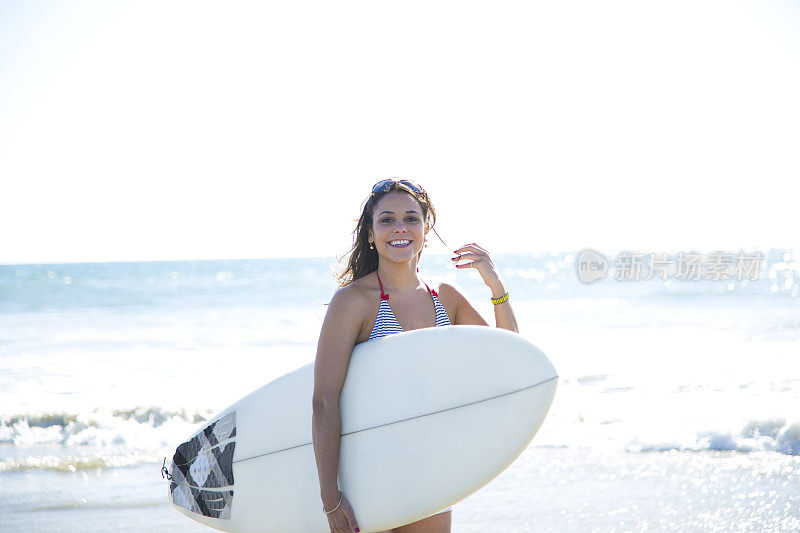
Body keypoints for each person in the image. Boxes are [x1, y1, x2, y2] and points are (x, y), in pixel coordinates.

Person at [312, 178, 518, 533]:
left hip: (431, 469)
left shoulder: (445, 298)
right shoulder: (353, 302)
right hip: (368, 471)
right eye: (386, 220)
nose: (400, 228)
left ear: (425, 229)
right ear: (371, 235)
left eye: (411, 218)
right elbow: (325, 402)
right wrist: (330, 496)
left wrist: (496, 287)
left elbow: (510, 362)